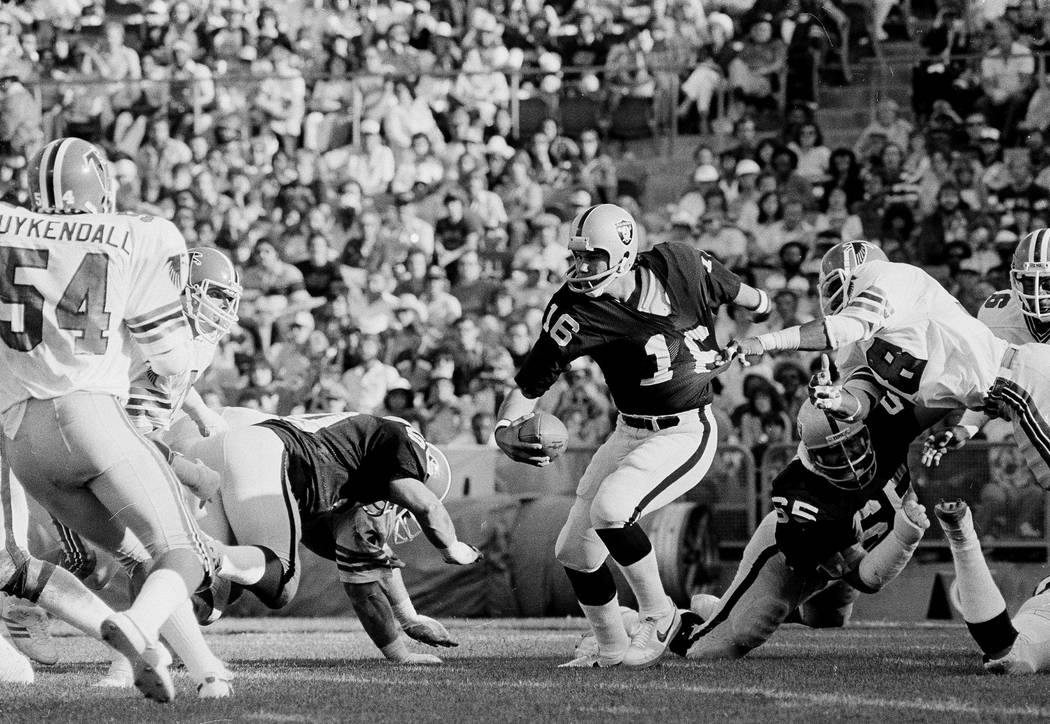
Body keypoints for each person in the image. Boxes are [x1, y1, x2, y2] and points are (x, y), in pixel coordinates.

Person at [492, 203, 772, 668]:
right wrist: (505, 428)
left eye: (593, 258)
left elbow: (749, 297)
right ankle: (610, 647)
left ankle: (660, 616)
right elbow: (530, 383)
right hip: (629, 428)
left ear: (624, 253)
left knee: (612, 509)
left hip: (685, 430)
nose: (582, 268)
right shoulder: (576, 308)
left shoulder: (681, 262)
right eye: (577, 257)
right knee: (574, 551)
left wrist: (757, 314)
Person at [0, 137, 211, 702]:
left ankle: (205, 670)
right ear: (101, 186)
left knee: (133, 557)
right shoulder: (139, 232)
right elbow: (170, 358)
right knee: (182, 554)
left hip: (22, 441)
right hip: (89, 413)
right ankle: (139, 635)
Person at [581, 395, 935, 660]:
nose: (849, 462)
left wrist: (964, 425)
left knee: (828, 619)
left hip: (846, 556)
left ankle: (719, 607)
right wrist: (906, 535)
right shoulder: (804, 494)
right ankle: (643, 620)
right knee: (709, 650)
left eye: (854, 445)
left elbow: (947, 394)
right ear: (810, 456)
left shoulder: (886, 436)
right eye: (832, 456)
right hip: (793, 558)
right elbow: (864, 577)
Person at [48, 246, 241, 695]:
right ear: (181, 291)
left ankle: (190, 666)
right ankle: (27, 606)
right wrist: (188, 470)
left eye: (228, 298)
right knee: (121, 561)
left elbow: (180, 378)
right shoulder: (136, 336)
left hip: (137, 449)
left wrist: (200, 413)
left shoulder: (197, 340)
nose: (224, 308)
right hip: (100, 451)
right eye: (215, 295)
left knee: (156, 557)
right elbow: (110, 424)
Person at [732, 239, 1050, 491]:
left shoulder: (894, 279)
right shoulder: (857, 343)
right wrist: (837, 400)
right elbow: (862, 401)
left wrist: (765, 341)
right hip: (1001, 397)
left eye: (836, 286)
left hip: (1021, 378)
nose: (833, 297)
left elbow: (841, 327)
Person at [172, 410, 482, 642]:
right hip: (254, 449)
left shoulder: (351, 455)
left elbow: (366, 562)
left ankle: (146, 624)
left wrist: (409, 617)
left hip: (204, 441)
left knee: (216, 592)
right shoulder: (394, 450)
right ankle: (213, 553)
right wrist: (453, 548)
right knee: (281, 580)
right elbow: (428, 507)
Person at [923, 229, 1050, 469]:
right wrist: (966, 428)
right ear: (1015, 279)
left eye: (1047, 283)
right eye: (1028, 281)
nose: (1037, 293)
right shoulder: (998, 314)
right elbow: (992, 385)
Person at [934, 499, 1050, 674]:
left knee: (1009, 651)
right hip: (1044, 609)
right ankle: (963, 541)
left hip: (1040, 606)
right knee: (1011, 653)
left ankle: (963, 540)